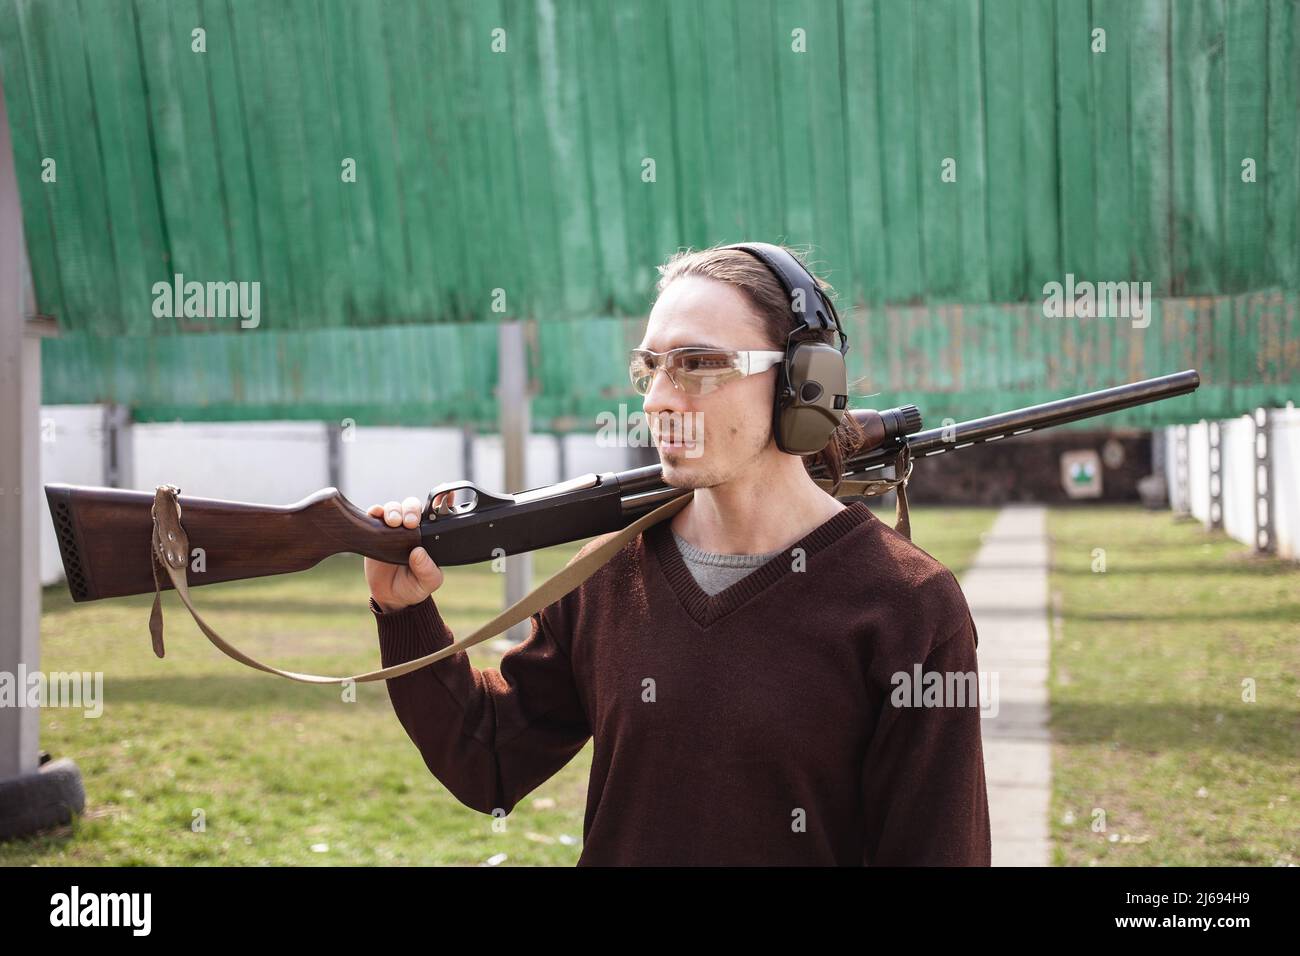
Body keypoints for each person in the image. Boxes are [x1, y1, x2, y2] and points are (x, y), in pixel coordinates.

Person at [364, 242, 992, 865]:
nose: (656, 400)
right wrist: (406, 615)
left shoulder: (909, 607)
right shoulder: (607, 571)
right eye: (651, 368)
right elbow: (488, 761)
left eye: (698, 364)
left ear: (804, 383)